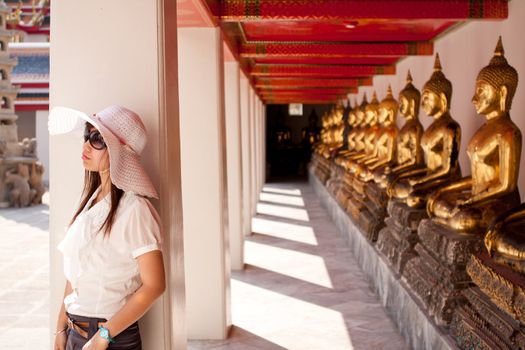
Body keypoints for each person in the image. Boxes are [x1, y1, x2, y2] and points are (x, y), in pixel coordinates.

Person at [49, 105, 166, 350]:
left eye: (98, 139)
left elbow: (155, 284)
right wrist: (60, 326)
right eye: (86, 137)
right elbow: (75, 275)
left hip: (109, 337)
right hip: (74, 331)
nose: (86, 146)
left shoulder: (135, 209)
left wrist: (104, 336)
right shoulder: (90, 205)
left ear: (119, 151)